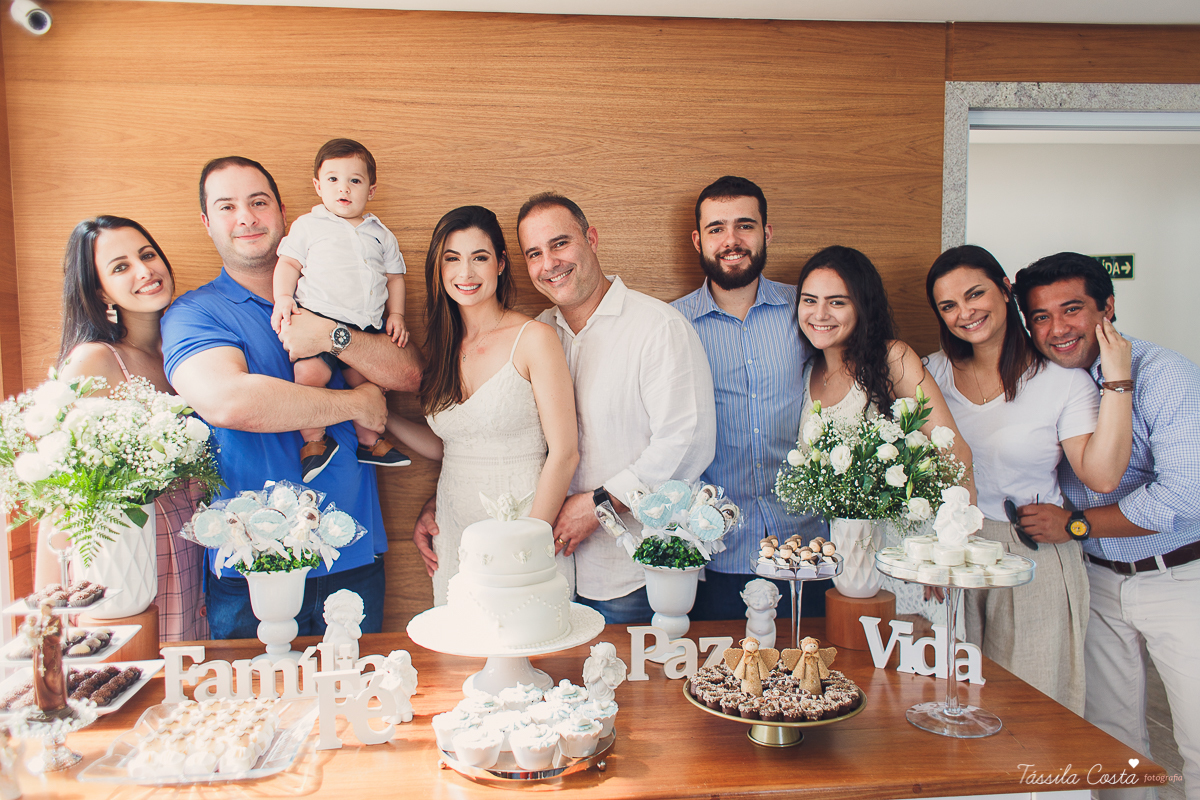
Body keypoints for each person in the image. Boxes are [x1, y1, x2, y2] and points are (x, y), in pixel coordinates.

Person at [161, 156, 423, 639]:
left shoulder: (341, 297)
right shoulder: (195, 313)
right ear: (206, 222)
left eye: (258, 202)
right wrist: (355, 406)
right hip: (249, 568)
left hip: (351, 554)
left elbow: (407, 374)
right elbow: (229, 402)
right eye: (227, 207)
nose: (246, 217)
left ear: (284, 212)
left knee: (361, 707)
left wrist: (330, 333)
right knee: (256, 712)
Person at [1012, 252, 1200, 800]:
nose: (1057, 329)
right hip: (1093, 578)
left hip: (1175, 576)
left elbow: (1184, 495)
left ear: (1107, 308)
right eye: (1040, 316)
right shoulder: (1045, 382)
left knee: (1195, 735)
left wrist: (1075, 525)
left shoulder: (1165, 374)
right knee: (1111, 737)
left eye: (1072, 310)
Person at [925, 244, 1133, 714]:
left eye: (975, 294)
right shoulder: (930, 373)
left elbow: (1101, 475)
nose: (965, 313)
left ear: (1005, 291)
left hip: (1030, 553)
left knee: (1034, 708)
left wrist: (1117, 379)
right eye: (948, 306)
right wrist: (930, 548)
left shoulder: (1062, 382)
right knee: (954, 705)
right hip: (955, 556)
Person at [516, 192, 716, 624]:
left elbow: (687, 444)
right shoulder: (536, 334)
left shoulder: (656, 327)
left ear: (591, 238)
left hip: (638, 574)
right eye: (534, 253)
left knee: (637, 692)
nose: (549, 263)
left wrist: (600, 504)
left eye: (560, 244)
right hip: (553, 573)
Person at [399, 205, 578, 605]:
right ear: (438, 268)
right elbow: (450, 445)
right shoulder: (443, 347)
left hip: (524, 529)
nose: (465, 273)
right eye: (452, 259)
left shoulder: (533, 338)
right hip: (455, 531)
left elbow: (565, 453)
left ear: (499, 264)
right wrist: (383, 418)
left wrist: (527, 542)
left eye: (479, 258)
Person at [46, 215, 209, 641]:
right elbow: (65, 489)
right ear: (99, 289)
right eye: (120, 267)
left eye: (147, 254)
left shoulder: (187, 351)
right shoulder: (94, 361)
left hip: (200, 543)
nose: (144, 271)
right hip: (133, 552)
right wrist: (54, 614)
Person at [672, 176, 827, 621]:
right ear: (698, 240)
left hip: (807, 549)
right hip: (717, 554)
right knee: (725, 686)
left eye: (745, 225)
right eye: (717, 229)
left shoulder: (808, 312)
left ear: (767, 233)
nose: (732, 240)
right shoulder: (672, 325)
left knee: (814, 681)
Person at [796, 245, 973, 618]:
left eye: (837, 302)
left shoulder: (893, 359)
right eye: (809, 300)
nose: (820, 314)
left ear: (862, 306)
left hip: (909, 559)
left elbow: (956, 456)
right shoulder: (804, 372)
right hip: (842, 566)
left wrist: (945, 554)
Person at [271, 138, 410, 481]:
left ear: (371, 189)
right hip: (317, 320)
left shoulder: (381, 234)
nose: (343, 188)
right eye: (332, 179)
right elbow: (288, 263)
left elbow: (395, 278)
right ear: (318, 186)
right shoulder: (308, 225)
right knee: (309, 378)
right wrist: (283, 297)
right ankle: (314, 442)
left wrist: (397, 315)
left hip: (365, 328)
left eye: (355, 180)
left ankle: (369, 441)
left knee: (369, 385)